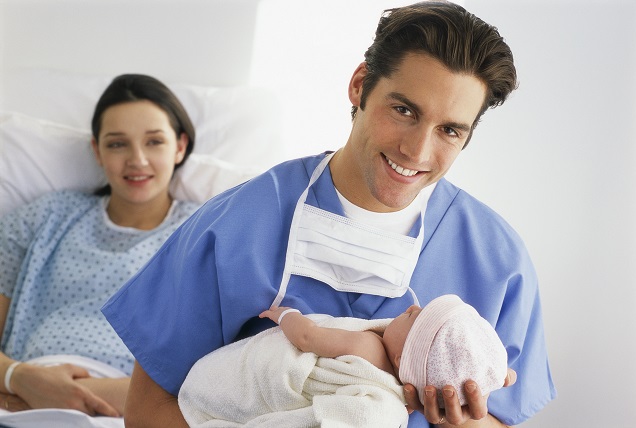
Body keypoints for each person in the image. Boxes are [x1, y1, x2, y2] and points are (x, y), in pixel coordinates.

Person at [102, 2, 556, 427]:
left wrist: (457, 418)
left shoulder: (498, 264)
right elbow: (146, 412)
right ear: (360, 85)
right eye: (403, 110)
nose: (417, 151)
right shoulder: (235, 226)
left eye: (450, 130)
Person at [0, 74, 200, 417]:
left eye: (154, 142)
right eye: (117, 144)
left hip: (132, 409)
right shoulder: (44, 218)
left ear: (180, 146)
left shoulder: (201, 235)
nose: (137, 159)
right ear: (97, 150)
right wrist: (18, 377)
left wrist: (63, 395)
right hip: (19, 400)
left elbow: (209, 373)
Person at [178, 295, 509, 427]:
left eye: (413, 318)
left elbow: (307, 338)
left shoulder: (367, 345)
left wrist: (285, 315)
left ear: (399, 357)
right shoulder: (395, 400)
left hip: (255, 378)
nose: (411, 308)